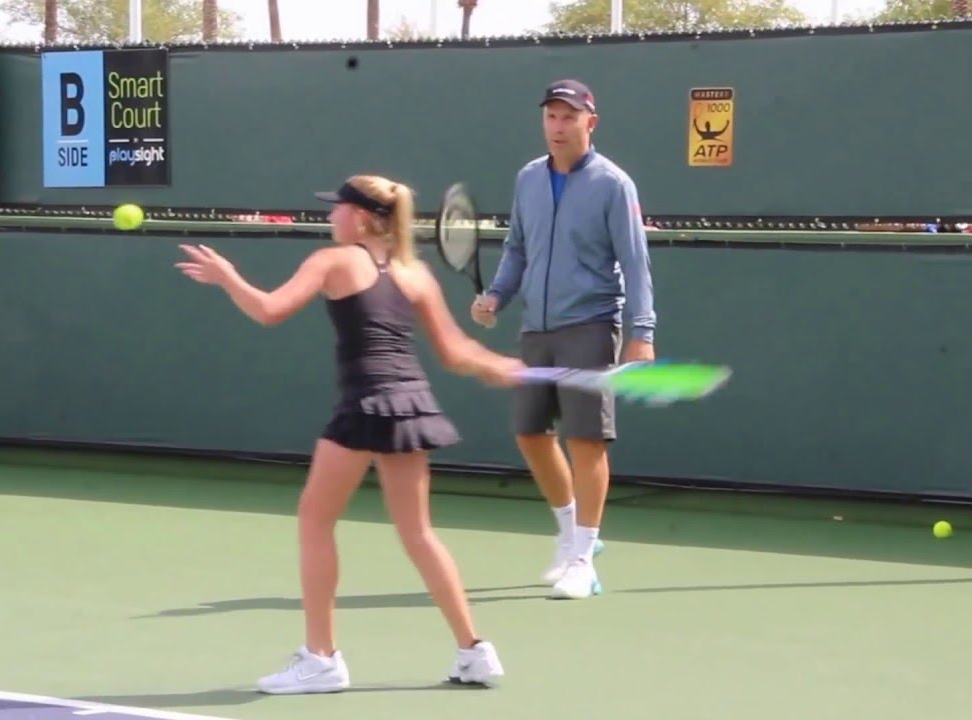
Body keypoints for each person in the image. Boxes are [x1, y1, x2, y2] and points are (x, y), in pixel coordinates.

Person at [176, 174, 521, 694]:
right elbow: (455, 353)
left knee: (314, 521)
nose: (329, 215)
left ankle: (321, 658)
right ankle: (474, 651)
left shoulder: (332, 262)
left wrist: (227, 277)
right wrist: (497, 365)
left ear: (360, 218)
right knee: (419, 534)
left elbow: (269, 311)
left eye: (336, 208)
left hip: (366, 404)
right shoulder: (416, 273)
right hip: (411, 404)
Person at [471, 79, 657, 601]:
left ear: (589, 123)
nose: (558, 126)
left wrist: (641, 333)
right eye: (551, 116)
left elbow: (635, 262)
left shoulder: (613, 184)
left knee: (585, 440)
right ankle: (572, 533)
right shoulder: (529, 178)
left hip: (592, 323)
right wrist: (496, 296)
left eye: (569, 117)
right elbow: (517, 248)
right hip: (537, 325)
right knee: (530, 433)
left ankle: (583, 561)